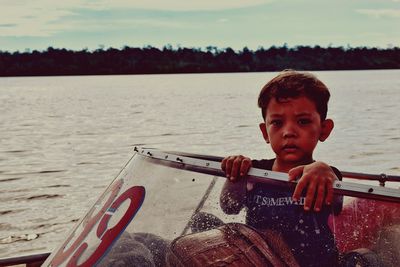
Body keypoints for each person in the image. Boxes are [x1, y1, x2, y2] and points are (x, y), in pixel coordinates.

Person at [220, 70, 343, 267]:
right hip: (260, 261)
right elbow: (229, 207)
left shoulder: (324, 175)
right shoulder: (253, 172)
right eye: (277, 123)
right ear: (265, 132)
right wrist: (235, 174)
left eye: (303, 121)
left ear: (324, 129)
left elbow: (337, 202)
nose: (288, 132)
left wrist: (323, 168)